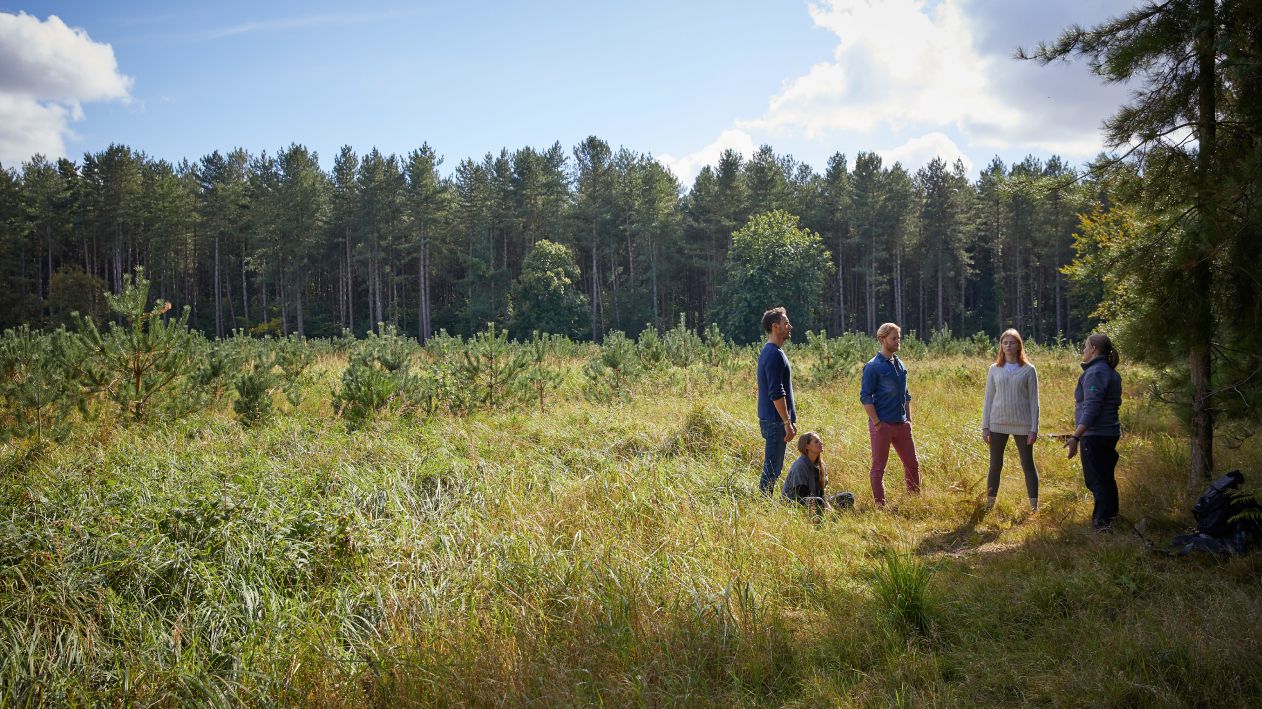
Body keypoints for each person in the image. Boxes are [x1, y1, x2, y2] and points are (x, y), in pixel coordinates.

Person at [1065, 333, 1123, 531]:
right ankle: (1112, 517)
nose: (1083, 351)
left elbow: (1092, 407)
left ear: (1094, 350)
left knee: (1096, 479)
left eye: (1085, 347)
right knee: (1106, 476)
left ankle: (1102, 523)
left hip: (1097, 434)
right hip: (1108, 432)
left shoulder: (1096, 372)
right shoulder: (1107, 371)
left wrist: (1076, 435)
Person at [860, 322, 920, 507]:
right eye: (894, 338)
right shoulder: (873, 367)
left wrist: (908, 419)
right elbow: (865, 397)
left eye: (898, 338)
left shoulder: (900, 364)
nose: (897, 341)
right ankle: (880, 505)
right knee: (879, 467)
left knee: (912, 464)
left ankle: (914, 500)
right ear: (882, 339)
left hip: (902, 424)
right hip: (883, 425)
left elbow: (906, 394)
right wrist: (877, 422)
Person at [981, 328, 1040, 511]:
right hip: (997, 423)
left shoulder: (1029, 370)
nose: (1008, 346)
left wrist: (1033, 428)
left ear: (1018, 346)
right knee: (995, 464)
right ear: (1001, 346)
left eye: (1012, 342)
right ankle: (989, 504)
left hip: (1023, 425)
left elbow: (1034, 401)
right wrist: (985, 426)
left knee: (1027, 464)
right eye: (1005, 342)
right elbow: (988, 398)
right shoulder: (994, 369)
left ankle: (1033, 507)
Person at [757, 307, 796, 494]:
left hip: (774, 420)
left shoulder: (773, 351)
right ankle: (764, 508)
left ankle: (765, 505)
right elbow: (776, 392)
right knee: (772, 469)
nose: (790, 326)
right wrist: (787, 422)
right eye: (786, 323)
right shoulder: (773, 354)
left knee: (773, 467)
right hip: (775, 422)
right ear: (775, 327)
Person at [782, 431, 855, 512]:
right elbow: (800, 495)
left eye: (820, 441)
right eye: (816, 441)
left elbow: (821, 492)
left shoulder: (821, 465)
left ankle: (831, 512)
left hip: (816, 499)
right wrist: (823, 504)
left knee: (848, 496)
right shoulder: (800, 466)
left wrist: (827, 504)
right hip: (794, 503)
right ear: (807, 446)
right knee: (819, 501)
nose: (821, 443)